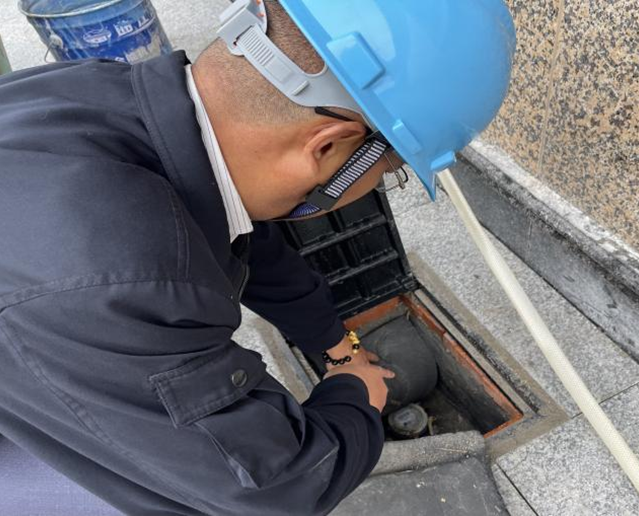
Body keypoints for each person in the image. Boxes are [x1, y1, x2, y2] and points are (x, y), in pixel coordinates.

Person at [0, 0, 515, 514]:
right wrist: (355, 397)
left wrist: (336, 346)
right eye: (389, 174)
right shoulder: (125, 285)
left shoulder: (95, 94)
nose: (381, 184)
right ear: (328, 147)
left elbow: (244, 238)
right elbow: (275, 490)